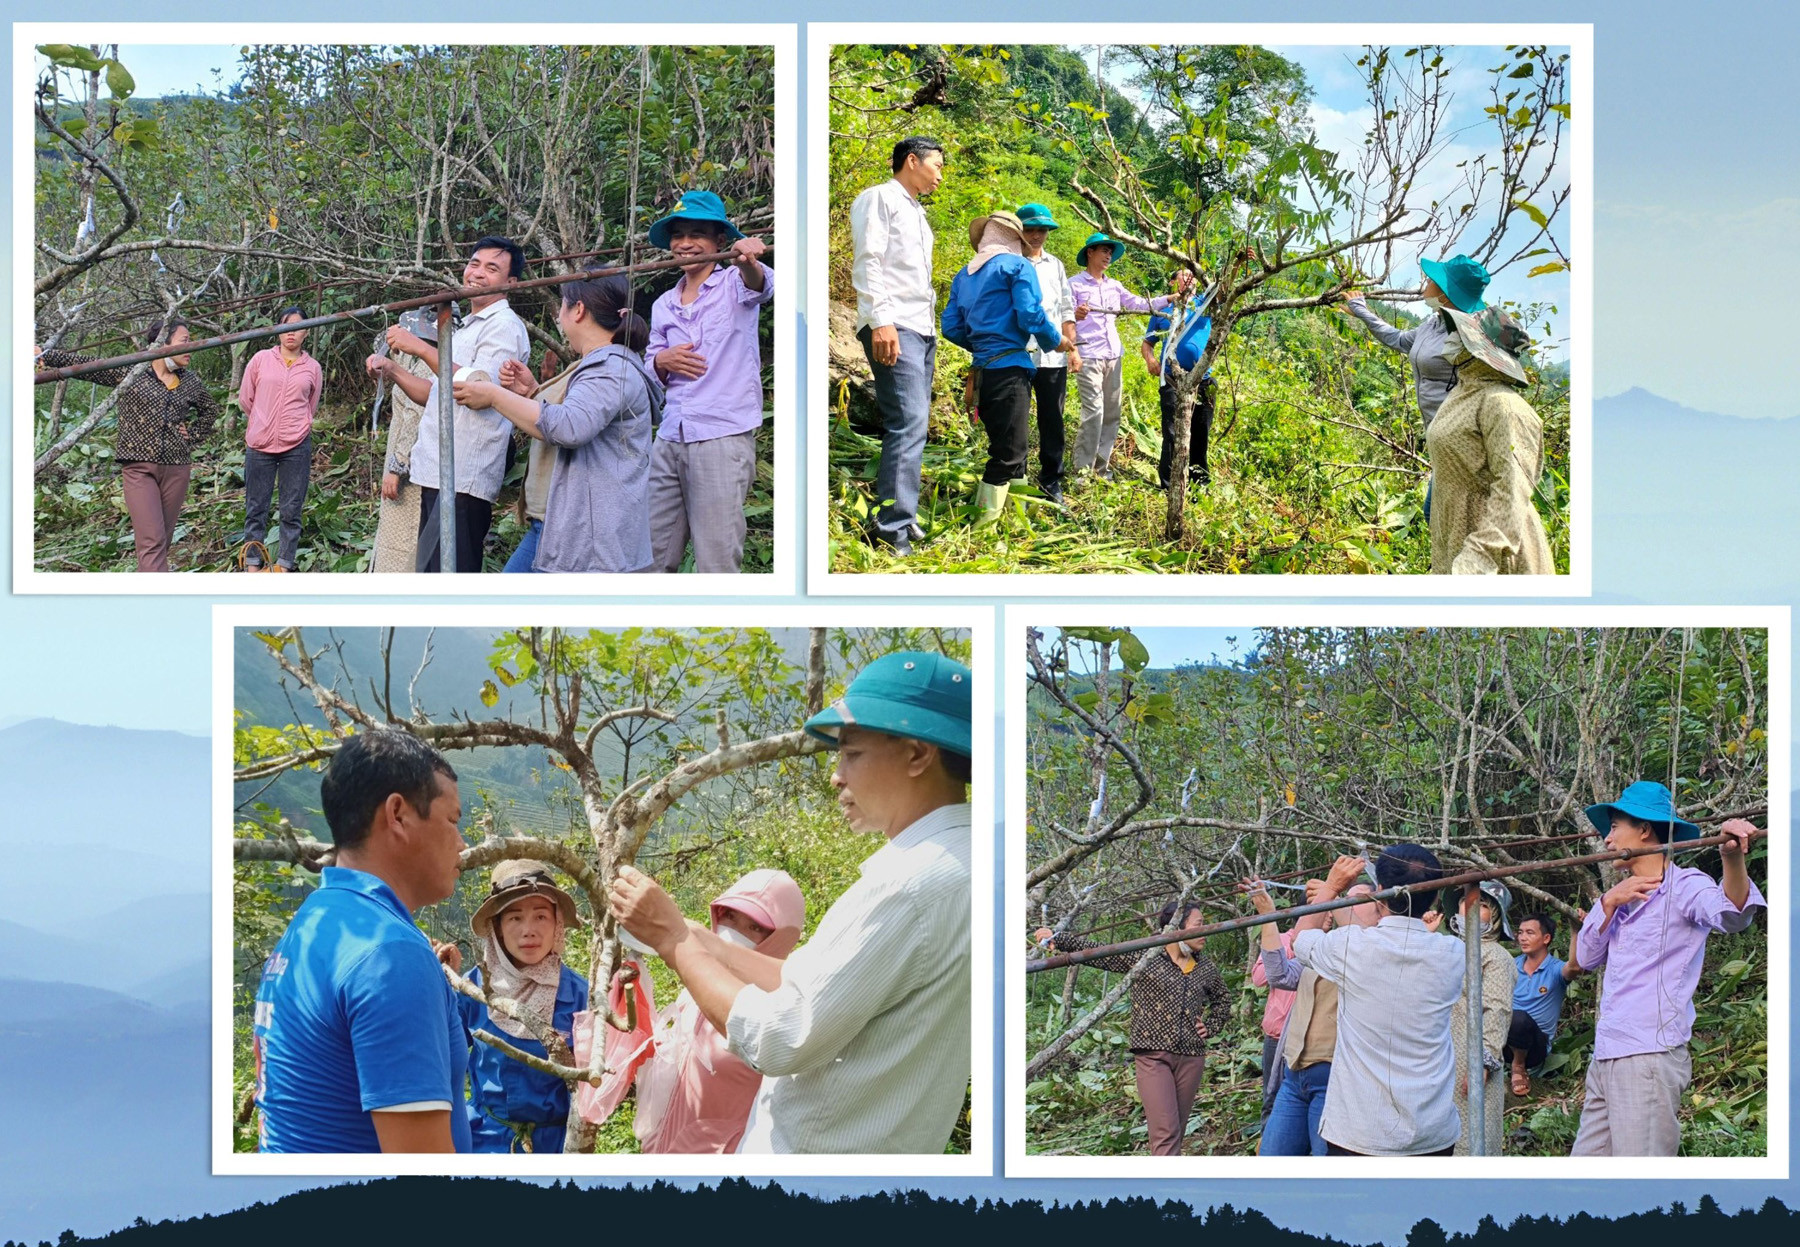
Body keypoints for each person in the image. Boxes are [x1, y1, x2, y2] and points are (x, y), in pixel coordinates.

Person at [608, 651, 972, 1153]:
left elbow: (778, 1036)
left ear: (916, 755)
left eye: (851, 754)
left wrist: (673, 941)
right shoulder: (965, 863)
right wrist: (701, 939)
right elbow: (808, 987)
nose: (837, 776)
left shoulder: (907, 886)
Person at [252, 729, 471, 1153]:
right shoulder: (389, 955)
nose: (462, 843)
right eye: (452, 820)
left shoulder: (315, 920)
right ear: (398, 815)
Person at [1570, 784, 1765, 1156]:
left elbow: (1733, 916)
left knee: (1641, 1177)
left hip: (1648, 1055)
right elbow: (1585, 959)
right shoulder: (1619, 895)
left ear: (1644, 830)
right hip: (1606, 1053)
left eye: (1614, 827)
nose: (1607, 839)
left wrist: (1731, 857)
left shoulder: (1686, 885)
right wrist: (1607, 903)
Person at [453, 275, 660, 573]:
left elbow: (568, 427)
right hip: (559, 525)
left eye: (563, 306)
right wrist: (532, 392)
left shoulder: (610, 369)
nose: (560, 317)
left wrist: (493, 395)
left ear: (578, 310)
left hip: (588, 538)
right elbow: (573, 414)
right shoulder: (598, 364)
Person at [367, 235, 531, 572]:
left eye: (492, 268)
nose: (478, 273)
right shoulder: (466, 328)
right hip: (438, 472)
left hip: (463, 477)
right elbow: (435, 394)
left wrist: (421, 348)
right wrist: (393, 370)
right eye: (474, 264)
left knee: (454, 576)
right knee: (433, 574)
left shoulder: (504, 327)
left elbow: (478, 391)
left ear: (511, 282)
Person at [1291, 848, 1465, 1157]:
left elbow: (1301, 938)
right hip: (1432, 1132)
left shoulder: (1351, 947)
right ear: (1435, 897)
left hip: (1361, 1134)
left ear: (1379, 893)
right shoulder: (1454, 953)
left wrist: (1331, 888)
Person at [644, 191, 774, 572]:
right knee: (651, 555)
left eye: (697, 234)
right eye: (678, 235)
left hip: (721, 436)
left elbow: (761, 284)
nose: (685, 243)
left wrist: (747, 258)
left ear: (719, 241)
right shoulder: (664, 304)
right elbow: (651, 365)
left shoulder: (734, 284)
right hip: (671, 435)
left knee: (716, 560)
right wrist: (662, 361)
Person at [1036, 901, 1230, 1157]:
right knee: (1165, 1132)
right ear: (1176, 927)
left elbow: (1223, 998)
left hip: (1191, 1058)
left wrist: (1211, 1026)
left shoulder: (1204, 967)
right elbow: (1100, 951)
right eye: (1199, 925)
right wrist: (1058, 938)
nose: (1205, 931)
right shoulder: (1146, 956)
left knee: (1177, 1132)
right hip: (1153, 1057)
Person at [633, 869, 806, 1153]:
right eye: (730, 916)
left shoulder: (775, 1010)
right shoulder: (699, 981)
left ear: (781, 939)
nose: (734, 932)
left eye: (755, 927)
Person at [38, 317, 219, 572]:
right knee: (152, 541)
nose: (191, 347)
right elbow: (87, 365)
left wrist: (192, 434)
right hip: (139, 469)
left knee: (162, 542)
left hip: (177, 469)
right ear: (162, 343)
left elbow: (210, 410)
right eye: (185, 341)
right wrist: (45, 355)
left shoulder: (190, 381)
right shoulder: (132, 370)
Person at [447, 860, 591, 1153]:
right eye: (515, 918)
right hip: (483, 1141)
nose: (529, 931)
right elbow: (442, 1059)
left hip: (557, 1147)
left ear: (557, 924)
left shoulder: (581, 995)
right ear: (497, 927)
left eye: (541, 916)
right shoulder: (474, 989)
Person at [1340, 255, 1490, 525]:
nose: (1427, 282)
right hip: (1439, 437)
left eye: (1434, 280)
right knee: (1439, 517)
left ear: (1445, 293)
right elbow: (1398, 339)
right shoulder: (1434, 324)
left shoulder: (1469, 336)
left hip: (1460, 441)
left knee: (1445, 517)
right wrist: (1362, 311)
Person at [940, 211, 1067, 525]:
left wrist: (984, 345)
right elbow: (1030, 315)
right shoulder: (1017, 266)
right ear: (1015, 239)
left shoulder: (964, 274)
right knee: (1008, 454)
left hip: (983, 371)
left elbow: (950, 327)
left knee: (1014, 445)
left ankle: (1016, 519)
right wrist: (1056, 340)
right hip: (1010, 369)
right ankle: (983, 529)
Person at [850, 136, 944, 556]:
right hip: (894, 322)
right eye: (937, 166)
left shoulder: (917, 212)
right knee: (907, 421)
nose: (940, 176)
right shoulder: (879, 198)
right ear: (912, 161)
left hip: (920, 327)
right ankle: (890, 527)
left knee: (915, 424)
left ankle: (902, 514)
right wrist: (880, 321)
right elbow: (868, 260)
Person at [1252, 876, 1381, 1156]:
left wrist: (1331, 894)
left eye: (1357, 900)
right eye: (1346, 898)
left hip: (1335, 1080)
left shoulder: (1378, 954)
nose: (1347, 905)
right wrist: (1269, 917)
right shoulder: (1324, 948)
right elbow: (1278, 974)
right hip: (1295, 1074)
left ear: (1381, 911)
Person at [1426, 303, 1555, 575]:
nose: (1451, 338)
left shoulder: (1503, 406)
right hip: (1455, 536)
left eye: (1461, 334)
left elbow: (1511, 492)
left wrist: (1478, 558)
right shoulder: (1464, 392)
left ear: (1478, 348)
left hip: (1497, 558)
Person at [1066, 233, 1176, 481]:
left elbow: (1137, 303)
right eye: (1103, 251)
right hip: (1089, 355)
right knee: (1094, 412)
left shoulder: (1114, 286)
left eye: (1110, 252)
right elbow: (1064, 316)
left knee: (1111, 414)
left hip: (1113, 355)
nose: (1108, 256)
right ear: (1090, 253)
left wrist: (1168, 299)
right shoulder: (1074, 284)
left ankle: (1101, 470)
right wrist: (1076, 314)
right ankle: (1082, 471)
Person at [1435, 880, 1518, 1156]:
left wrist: (1483, 1062)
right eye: (1464, 901)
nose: (1469, 907)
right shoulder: (1446, 947)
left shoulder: (1496, 956)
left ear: (1494, 916)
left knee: (1471, 1135)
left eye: (1481, 904)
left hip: (1469, 1055)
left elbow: (1497, 1010)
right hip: (1438, 1054)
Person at [237, 307, 322, 572]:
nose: (291, 332)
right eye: (286, 326)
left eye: (298, 326)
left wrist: (295, 426)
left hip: (296, 445)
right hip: (259, 445)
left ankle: (284, 565)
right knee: (255, 507)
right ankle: (253, 564)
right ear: (277, 330)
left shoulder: (312, 368)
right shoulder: (261, 360)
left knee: (291, 508)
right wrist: (263, 422)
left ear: (307, 332)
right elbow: (246, 399)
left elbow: (311, 405)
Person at [1015, 203, 1079, 503]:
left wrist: (1072, 347)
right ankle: (1016, 476)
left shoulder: (1055, 265)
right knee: (1016, 418)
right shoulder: (1011, 262)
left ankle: (1051, 479)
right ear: (1020, 231)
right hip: (1018, 352)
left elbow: (1066, 308)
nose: (1037, 235)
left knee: (1052, 418)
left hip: (1053, 356)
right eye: (1031, 229)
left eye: (1042, 230)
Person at [1139, 270, 1213, 489]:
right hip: (1172, 379)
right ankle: (1168, 485)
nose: (1189, 278)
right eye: (1183, 274)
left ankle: (1199, 486)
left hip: (1202, 380)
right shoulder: (1163, 310)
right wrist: (1150, 360)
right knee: (1172, 432)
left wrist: (1238, 263)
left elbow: (1224, 291)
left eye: (1193, 274)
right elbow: (1148, 342)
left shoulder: (1205, 304)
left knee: (1200, 434)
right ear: (1173, 281)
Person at [1505, 910, 1581, 1096]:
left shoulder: (1555, 969)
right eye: (1520, 932)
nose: (1522, 938)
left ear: (1546, 938)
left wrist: (1575, 931)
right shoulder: (1510, 965)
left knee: (1519, 1018)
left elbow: (1574, 968)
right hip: (1503, 1040)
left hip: (1535, 1048)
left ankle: (1518, 1066)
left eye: (1530, 933)